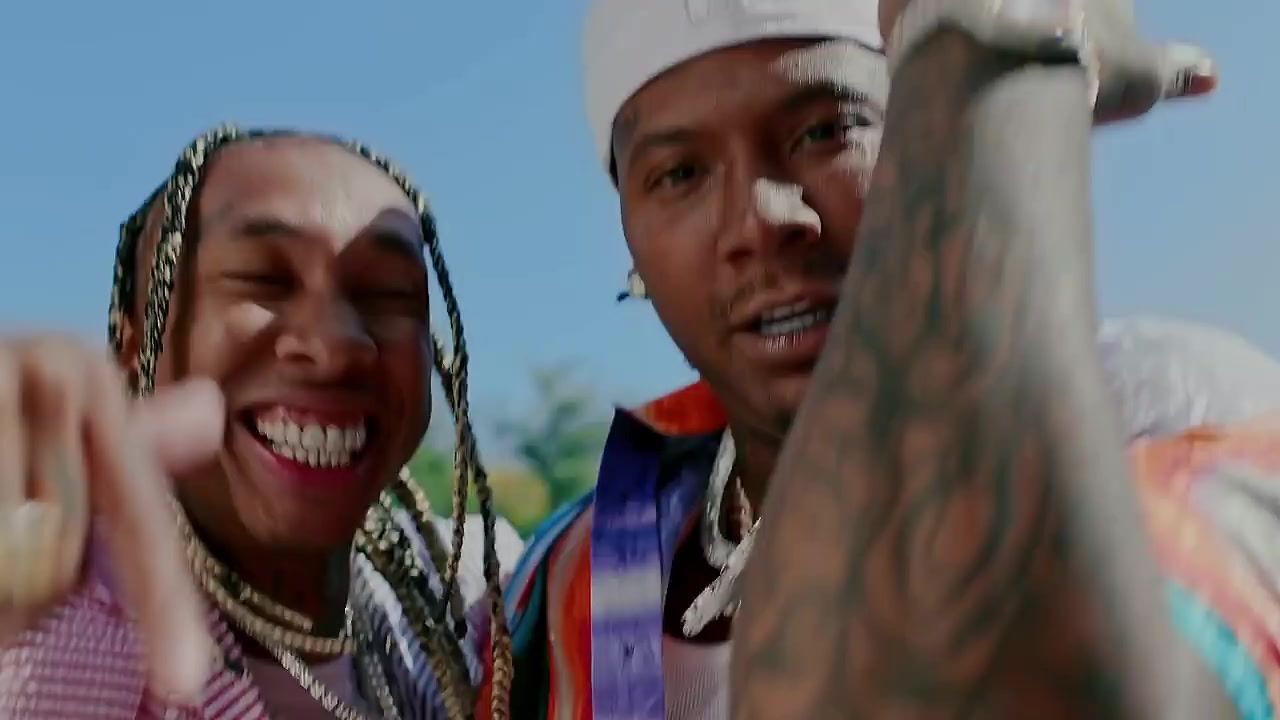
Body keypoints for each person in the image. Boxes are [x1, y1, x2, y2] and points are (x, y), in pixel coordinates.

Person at [481, 1, 1280, 718]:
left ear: (931, 126)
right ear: (631, 235)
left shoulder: (1172, 414)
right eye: (680, 174)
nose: (760, 220)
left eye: (825, 130)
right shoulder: (562, 583)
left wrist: (997, 52)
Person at [0, 126, 523, 719]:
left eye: (387, 292)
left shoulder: (484, 598)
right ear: (132, 350)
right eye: (264, 282)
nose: (337, 344)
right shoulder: (58, 622)